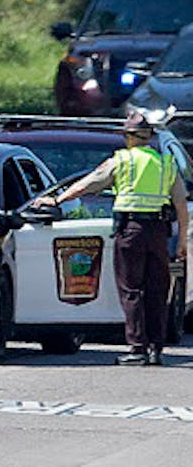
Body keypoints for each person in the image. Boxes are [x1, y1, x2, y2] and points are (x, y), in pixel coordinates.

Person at [35, 111, 189, 366]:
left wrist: (57, 199)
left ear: (128, 137)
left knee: (131, 289)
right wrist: (182, 240)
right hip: (159, 232)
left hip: (131, 231)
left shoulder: (123, 160)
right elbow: (181, 205)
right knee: (156, 291)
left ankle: (137, 347)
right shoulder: (166, 164)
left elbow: (89, 184)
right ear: (149, 137)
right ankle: (156, 349)